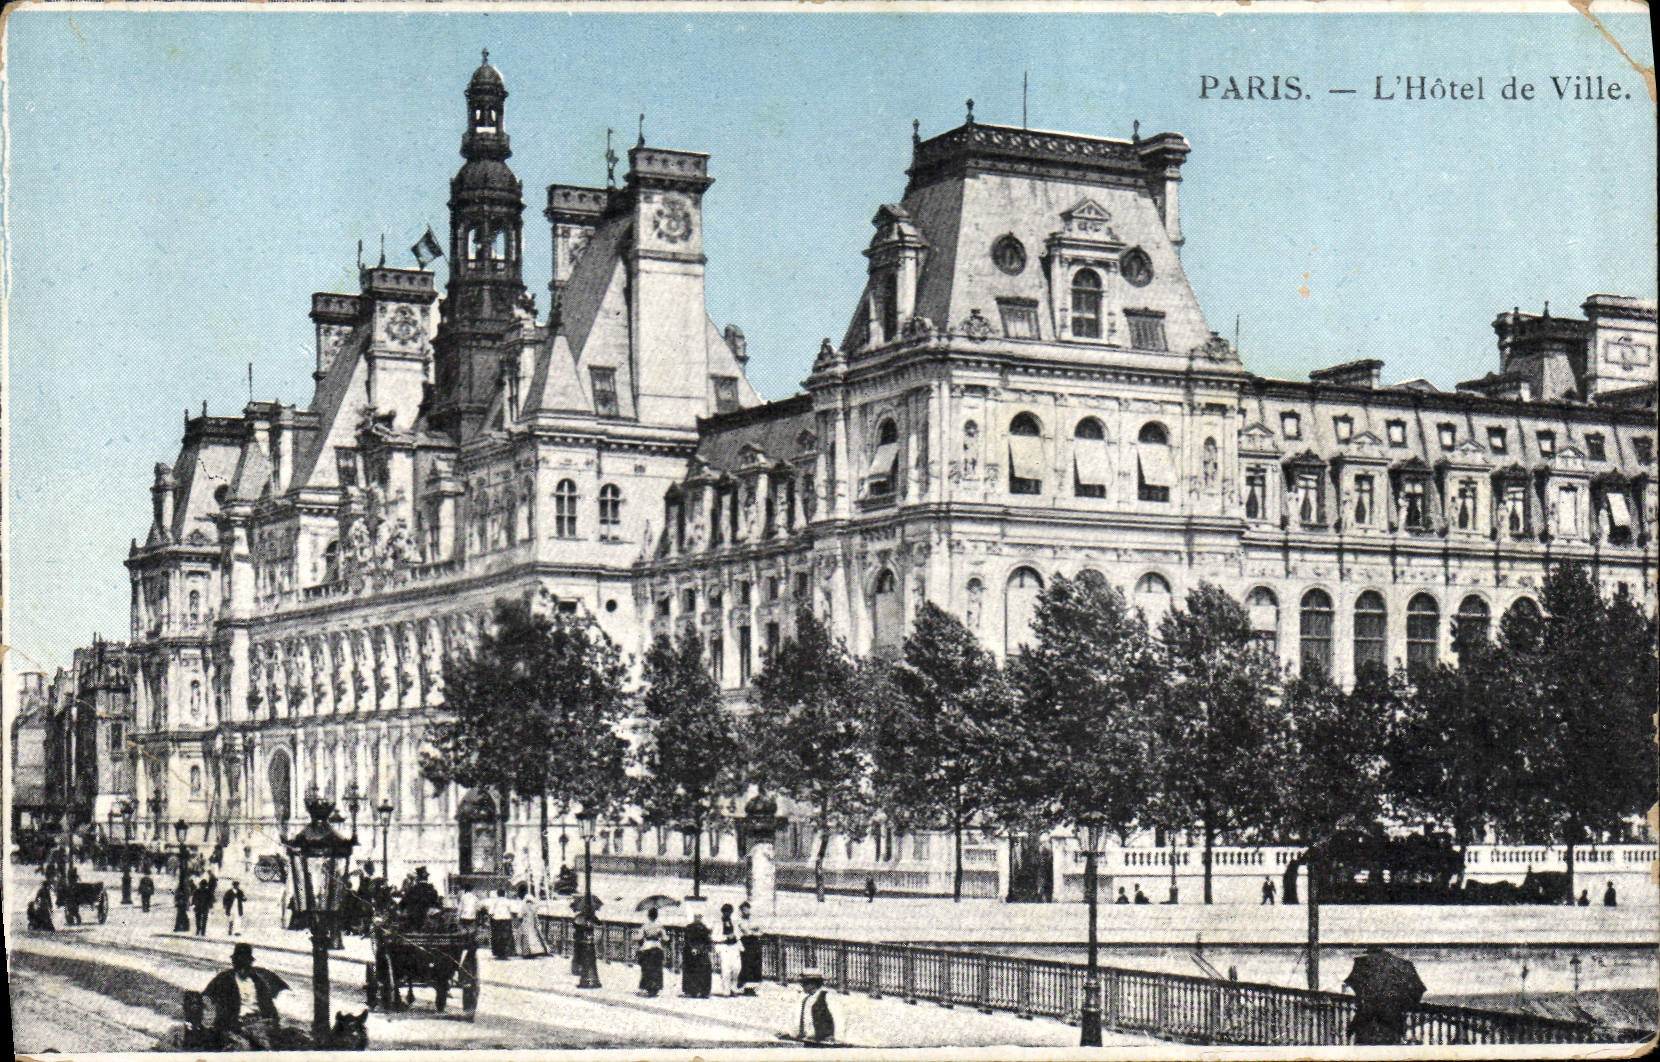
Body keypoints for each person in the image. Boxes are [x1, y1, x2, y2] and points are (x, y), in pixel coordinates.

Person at [203, 943, 289, 1050]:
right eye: (239, 964)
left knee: (274, 1044)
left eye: (245, 963)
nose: (242, 968)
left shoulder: (258, 981)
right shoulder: (224, 979)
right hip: (235, 1025)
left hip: (258, 1023)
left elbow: (269, 1006)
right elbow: (207, 998)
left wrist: (274, 1022)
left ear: (250, 963)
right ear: (234, 963)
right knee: (244, 1046)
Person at [785, 968, 836, 1044]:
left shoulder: (827, 997)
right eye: (802, 983)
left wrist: (833, 1037)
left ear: (814, 983)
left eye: (805, 983)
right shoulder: (806, 1000)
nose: (802, 986)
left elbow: (837, 1018)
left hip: (824, 1042)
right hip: (809, 1041)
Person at [512, 881, 548, 958]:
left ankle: (527, 952)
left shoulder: (524, 903)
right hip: (533, 920)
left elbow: (520, 914)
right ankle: (538, 950)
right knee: (535, 934)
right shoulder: (533, 902)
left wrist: (519, 918)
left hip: (526, 921)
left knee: (525, 935)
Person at [682, 911, 713, 998]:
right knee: (692, 970)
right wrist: (692, 948)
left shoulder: (704, 928)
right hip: (691, 952)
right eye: (696, 917)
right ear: (694, 917)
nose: (698, 918)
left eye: (699, 917)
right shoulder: (689, 927)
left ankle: (704, 991)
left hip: (702, 951)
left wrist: (706, 948)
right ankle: (693, 991)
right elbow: (687, 940)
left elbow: (707, 940)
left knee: (705, 969)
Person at [400, 866, 442, 931]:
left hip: (413, 923)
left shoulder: (412, 890)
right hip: (428, 924)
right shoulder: (432, 890)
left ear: (418, 878)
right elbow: (437, 904)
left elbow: (402, 904)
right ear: (427, 878)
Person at [637, 907, 666, 997]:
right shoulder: (660, 926)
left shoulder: (645, 926)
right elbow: (665, 938)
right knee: (657, 969)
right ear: (656, 916)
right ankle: (656, 986)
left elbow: (639, 937)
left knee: (647, 968)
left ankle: (648, 986)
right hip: (657, 947)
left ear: (648, 916)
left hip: (647, 946)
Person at [716, 903, 743, 996]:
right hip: (724, 947)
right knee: (726, 969)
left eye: (729, 912)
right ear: (723, 912)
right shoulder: (718, 923)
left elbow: (738, 934)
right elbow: (714, 936)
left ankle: (733, 987)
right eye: (726, 912)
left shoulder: (733, 922)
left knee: (737, 968)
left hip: (734, 947)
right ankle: (726, 990)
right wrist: (725, 937)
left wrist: (735, 937)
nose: (727, 914)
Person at [736, 900, 763, 995]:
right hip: (746, 944)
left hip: (755, 943)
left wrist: (752, 930)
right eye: (743, 910)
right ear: (741, 911)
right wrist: (752, 930)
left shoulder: (754, 919)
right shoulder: (739, 920)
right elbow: (745, 931)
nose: (745, 911)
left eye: (747, 909)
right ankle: (746, 987)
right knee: (746, 964)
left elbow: (760, 932)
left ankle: (752, 988)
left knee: (755, 965)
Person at [487, 887, 515, 959]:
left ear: (497, 894)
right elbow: (512, 911)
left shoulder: (495, 901)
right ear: (504, 894)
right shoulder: (508, 901)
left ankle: (498, 953)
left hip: (497, 920)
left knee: (497, 937)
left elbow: (490, 912)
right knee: (506, 937)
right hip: (506, 920)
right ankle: (506, 953)